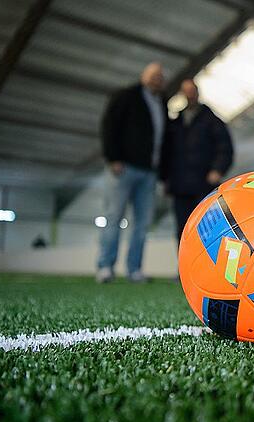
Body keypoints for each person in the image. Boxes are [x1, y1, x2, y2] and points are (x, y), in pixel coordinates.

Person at [96, 62, 168, 283]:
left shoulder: (162, 103)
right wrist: (113, 157)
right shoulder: (126, 96)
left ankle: (134, 269)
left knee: (142, 223)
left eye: (160, 77)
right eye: (153, 75)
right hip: (124, 167)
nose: (157, 79)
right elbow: (109, 125)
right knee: (113, 216)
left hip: (149, 172)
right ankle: (105, 267)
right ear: (143, 75)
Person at [161, 79, 234, 242]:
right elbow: (167, 152)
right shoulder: (176, 122)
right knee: (182, 229)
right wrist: (166, 178)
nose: (189, 95)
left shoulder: (212, 121)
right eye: (185, 91)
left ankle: (207, 265)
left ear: (197, 93)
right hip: (179, 185)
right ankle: (184, 266)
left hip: (203, 184)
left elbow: (225, 148)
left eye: (192, 91)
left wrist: (217, 170)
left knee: (206, 226)